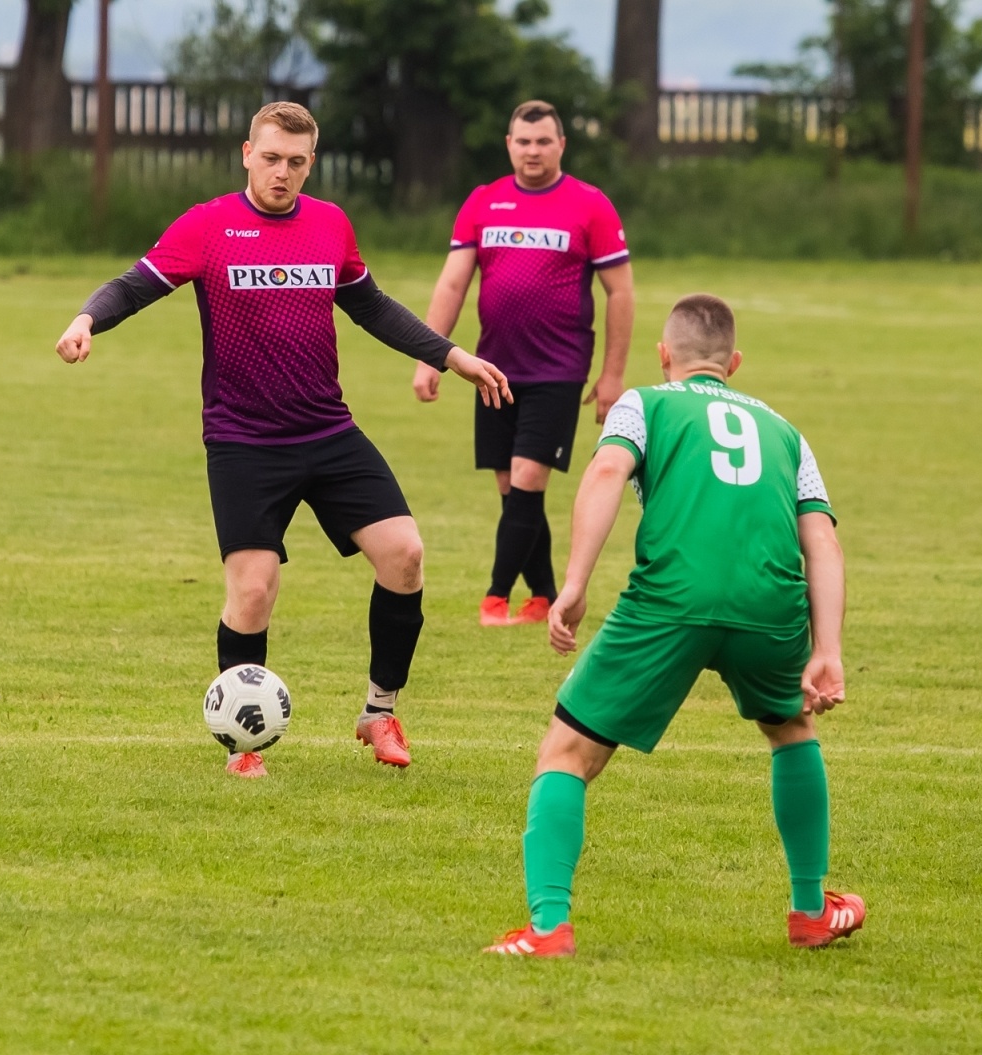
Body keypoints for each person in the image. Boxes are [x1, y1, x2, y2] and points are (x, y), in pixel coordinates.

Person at [54, 102, 512, 778]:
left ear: (310, 163)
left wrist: (452, 356)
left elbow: (371, 306)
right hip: (243, 440)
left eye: (296, 162)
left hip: (327, 429)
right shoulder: (208, 226)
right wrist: (87, 319)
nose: (282, 172)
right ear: (248, 154)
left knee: (405, 555)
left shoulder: (329, 225)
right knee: (254, 591)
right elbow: (135, 284)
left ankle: (379, 711)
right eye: (271, 158)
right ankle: (243, 748)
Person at [484, 294, 864, 957]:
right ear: (733, 363)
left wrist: (573, 584)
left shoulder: (645, 403)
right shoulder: (784, 430)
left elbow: (608, 469)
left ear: (665, 355)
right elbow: (823, 542)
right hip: (772, 603)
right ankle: (810, 912)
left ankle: (548, 928)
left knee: (567, 754)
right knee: (791, 728)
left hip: (673, 597)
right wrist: (827, 648)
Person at [413, 100, 634, 627]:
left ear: (561, 145)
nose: (533, 151)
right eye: (524, 141)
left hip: (558, 370)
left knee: (529, 478)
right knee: (514, 491)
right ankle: (543, 597)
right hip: (492, 370)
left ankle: (494, 599)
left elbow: (620, 293)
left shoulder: (590, 205)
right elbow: (452, 283)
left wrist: (612, 376)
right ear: (509, 145)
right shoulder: (483, 202)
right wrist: (430, 356)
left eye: (543, 141)